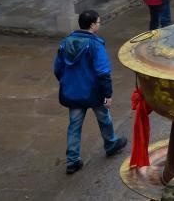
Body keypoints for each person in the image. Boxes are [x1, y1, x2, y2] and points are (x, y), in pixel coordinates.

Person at [54, 10, 127, 174]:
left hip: (73, 93)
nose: (99, 25)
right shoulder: (95, 44)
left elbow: (58, 68)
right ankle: (111, 144)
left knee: (74, 125)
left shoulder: (65, 43)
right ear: (92, 24)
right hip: (94, 93)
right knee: (104, 118)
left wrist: (67, 83)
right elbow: (103, 72)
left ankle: (72, 160)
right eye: (99, 22)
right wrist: (107, 94)